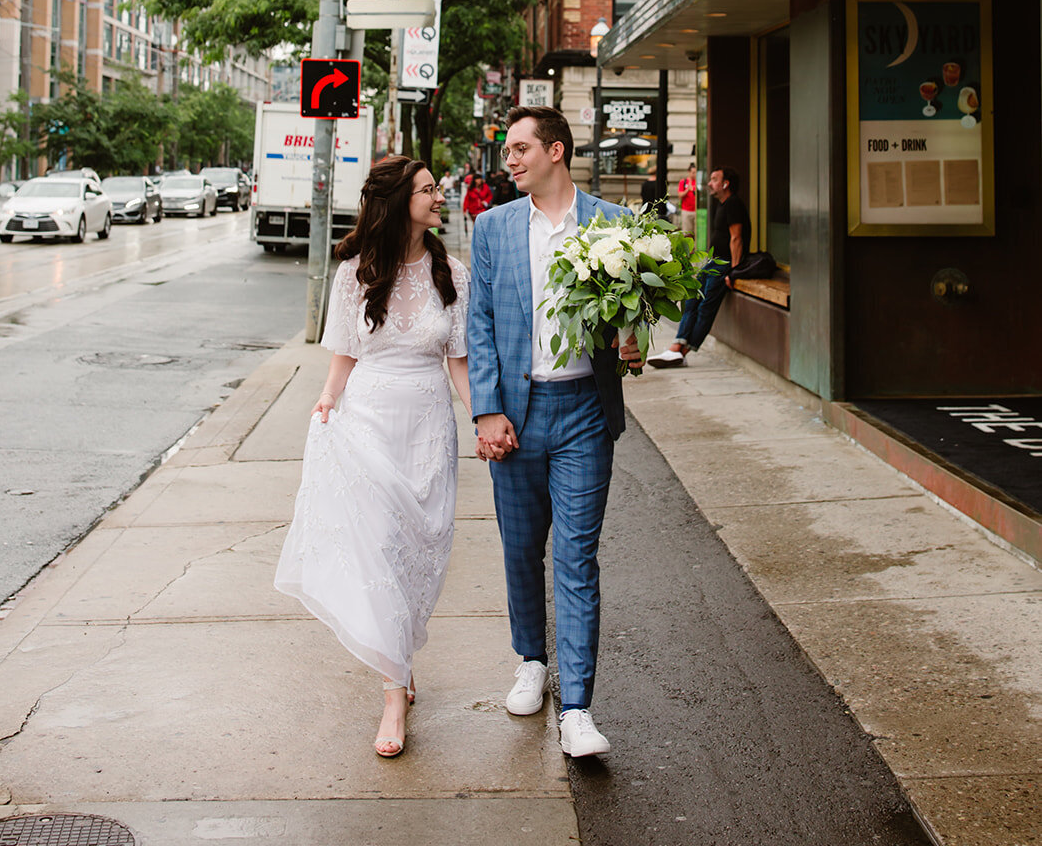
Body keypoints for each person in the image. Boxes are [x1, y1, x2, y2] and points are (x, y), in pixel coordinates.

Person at [275, 157, 472, 759]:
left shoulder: (453, 273)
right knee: (380, 549)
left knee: (422, 552)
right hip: (366, 425)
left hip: (428, 428)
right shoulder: (354, 274)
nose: (440, 196)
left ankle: (399, 654)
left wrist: (485, 422)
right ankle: (394, 691)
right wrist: (327, 399)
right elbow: (344, 352)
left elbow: (458, 361)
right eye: (428, 189)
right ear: (396, 202)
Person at [467, 105, 642, 760]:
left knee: (575, 557)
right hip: (516, 411)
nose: (508, 160)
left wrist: (633, 344)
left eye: (518, 149)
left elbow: (632, 320)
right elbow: (479, 323)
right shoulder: (492, 229)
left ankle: (577, 709)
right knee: (520, 549)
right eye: (507, 150)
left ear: (556, 152)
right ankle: (530, 662)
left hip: (584, 414)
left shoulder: (614, 224)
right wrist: (487, 410)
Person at [648, 165, 751, 365]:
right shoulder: (723, 204)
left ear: (725, 184)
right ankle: (676, 345)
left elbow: (736, 238)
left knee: (705, 307)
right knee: (691, 301)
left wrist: (735, 271)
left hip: (725, 265)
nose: (709, 184)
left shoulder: (733, 204)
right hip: (714, 262)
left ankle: (682, 352)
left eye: (714, 179)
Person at [678, 165, 697, 239]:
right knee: (687, 233)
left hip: (696, 211)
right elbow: (680, 195)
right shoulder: (683, 182)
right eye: (693, 172)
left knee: (696, 233)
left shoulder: (697, 182)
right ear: (689, 172)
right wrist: (687, 190)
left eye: (695, 172)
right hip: (687, 211)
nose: (694, 174)